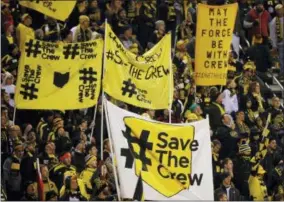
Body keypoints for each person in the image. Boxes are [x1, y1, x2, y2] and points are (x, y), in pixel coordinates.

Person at [270, 4, 284, 77]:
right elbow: (272, 34)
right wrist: (274, 46)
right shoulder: (274, 21)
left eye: (281, 9)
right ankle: (282, 72)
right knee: (281, 58)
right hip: (281, 43)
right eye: (278, 10)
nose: (279, 11)